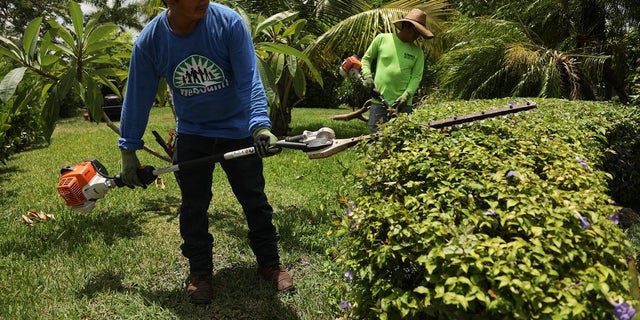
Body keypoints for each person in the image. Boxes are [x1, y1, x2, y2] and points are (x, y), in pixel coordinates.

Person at [117, 0, 293, 305]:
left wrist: (260, 126)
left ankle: (269, 262)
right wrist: (128, 148)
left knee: (254, 199)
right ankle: (199, 272)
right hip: (192, 132)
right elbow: (138, 94)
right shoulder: (151, 41)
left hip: (238, 130)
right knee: (193, 207)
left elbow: (249, 79)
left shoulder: (228, 23)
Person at [360, 8, 434, 134]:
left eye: (419, 34)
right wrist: (367, 76)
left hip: (403, 105)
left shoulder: (418, 52)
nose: (417, 36)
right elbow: (366, 59)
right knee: (375, 140)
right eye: (415, 31)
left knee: (401, 142)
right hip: (379, 101)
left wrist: (406, 95)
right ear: (406, 25)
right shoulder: (382, 39)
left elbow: (416, 77)